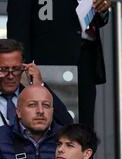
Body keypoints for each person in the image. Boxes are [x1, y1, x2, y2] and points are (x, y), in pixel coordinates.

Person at [7, 0, 111, 129]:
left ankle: (84, 148)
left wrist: (102, 9)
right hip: (48, 62)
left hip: (85, 56)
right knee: (50, 123)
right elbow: (18, 24)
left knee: (84, 126)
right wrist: (22, 65)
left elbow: (96, 14)